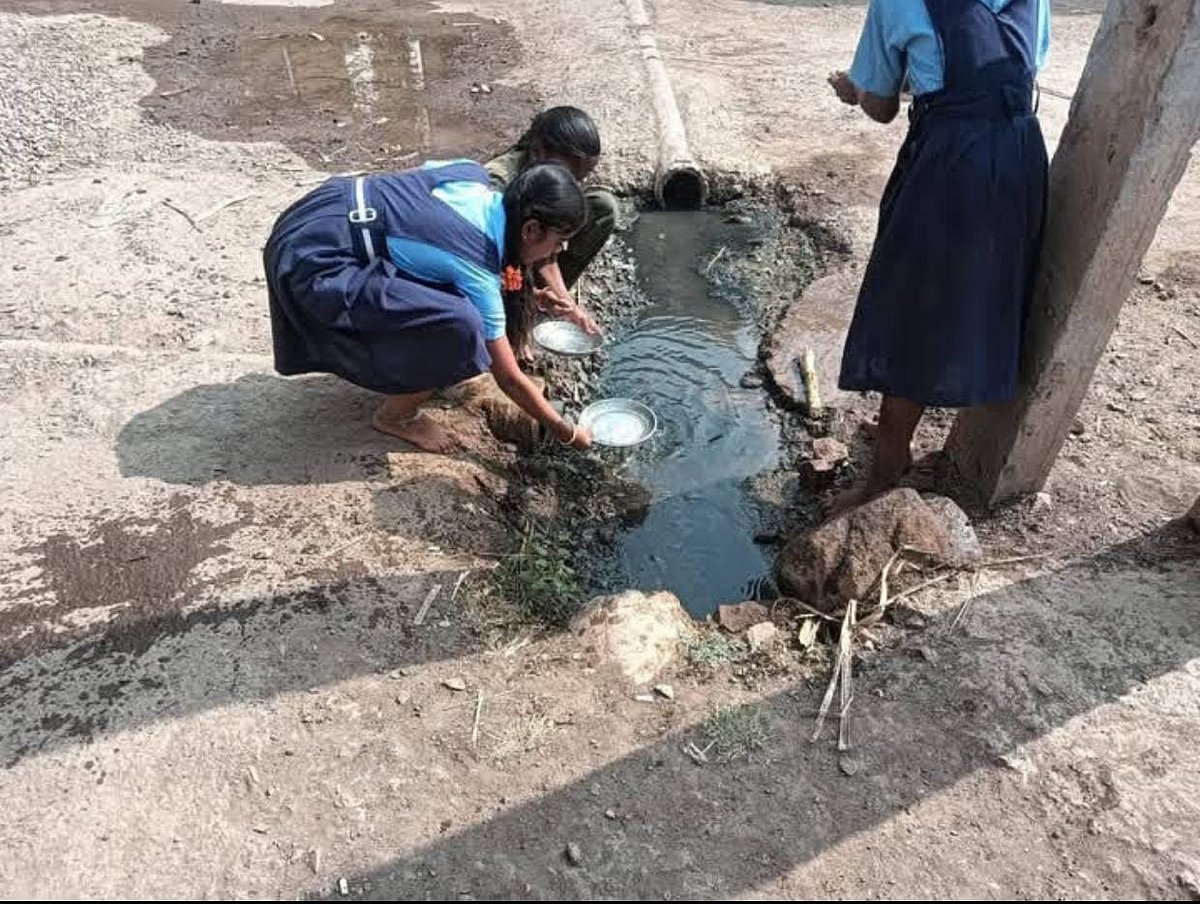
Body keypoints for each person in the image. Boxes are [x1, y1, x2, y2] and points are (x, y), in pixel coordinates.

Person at [826, 0, 1050, 512]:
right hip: (1019, 156)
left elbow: (881, 107)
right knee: (980, 292)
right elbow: (1016, 68)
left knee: (914, 308)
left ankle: (886, 472)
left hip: (950, 163)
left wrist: (856, 89)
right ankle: (903, 424)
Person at [264, 159, 594, 454]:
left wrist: (533, 297)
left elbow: (424, 237)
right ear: (531, 230)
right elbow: (509, 379)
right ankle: (397, 416)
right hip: (315, 259)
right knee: (463, 329)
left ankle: (416, 374)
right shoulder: (476, 266)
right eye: (558, 242)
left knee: (457, 310)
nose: (559, 251)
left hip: (322, 210)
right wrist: (566, 432)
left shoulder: (470, 174)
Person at [486, 106, 616, 335]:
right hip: (493, 263)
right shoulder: (496, 190)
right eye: (571, 175)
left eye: (579, 179)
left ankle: (538, 296)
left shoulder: (550, 174)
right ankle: (518, 302)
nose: (573, 183)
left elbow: (547, 245)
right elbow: (485, 264)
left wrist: (569, 306)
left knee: (603, 206)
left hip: (530, 247)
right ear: (537, 152)